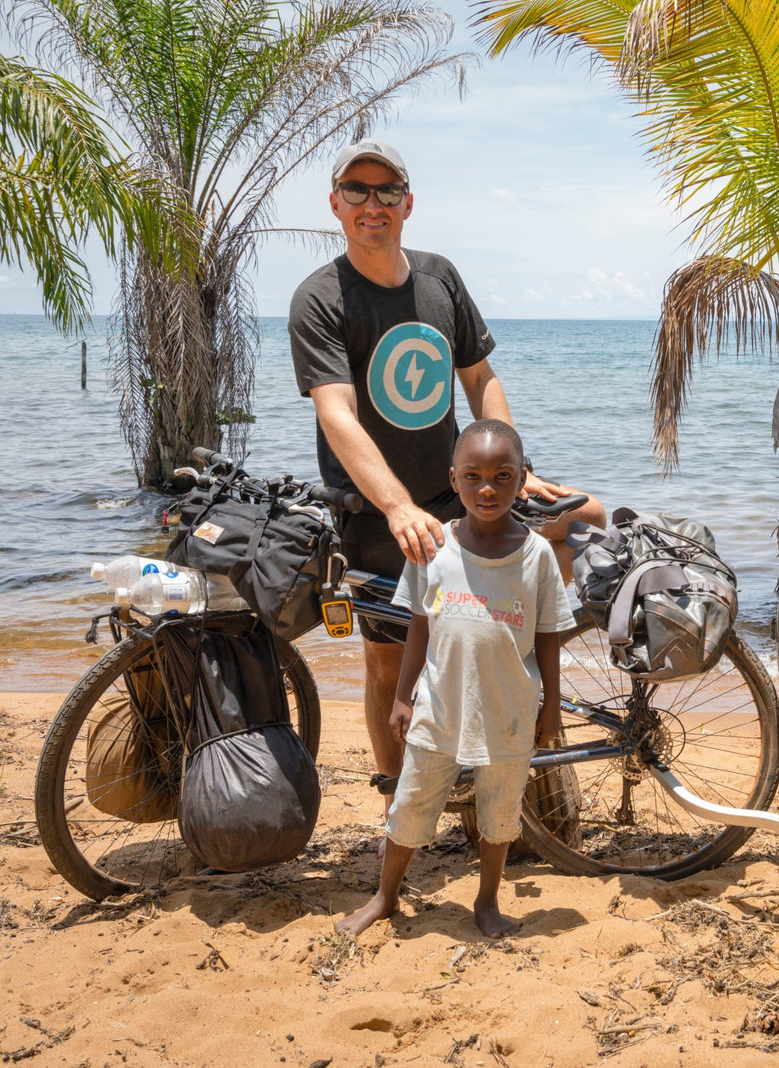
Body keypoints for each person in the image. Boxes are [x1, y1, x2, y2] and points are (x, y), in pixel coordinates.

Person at [288, 138, 603, 805]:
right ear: (336, 204)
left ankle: (514, 660)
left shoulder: (440, 277)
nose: (372, 205)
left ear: (408, 202)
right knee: (384, 662)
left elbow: (480, 378)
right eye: (357, 191)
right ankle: (404, 800)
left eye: (386, 192)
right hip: (375, 511)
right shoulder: (320, 298)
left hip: (465, 492)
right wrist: (399, 507)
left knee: (584, 520)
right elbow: (338, 414)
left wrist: (516, 465)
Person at [336, 419, 572, 939]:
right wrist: (402, 697)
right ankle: (386, 895)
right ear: (454, 478)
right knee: (411, 804)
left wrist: (551, 705)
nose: (487, 488)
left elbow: (550, 635)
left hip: (510, 708)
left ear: (521, 479)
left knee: (499, 810)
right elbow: (420, 623)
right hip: (439, 705)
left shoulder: (536, 556)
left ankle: (486, 901)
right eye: (473, 476)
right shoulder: (434, 547)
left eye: (502, 476)